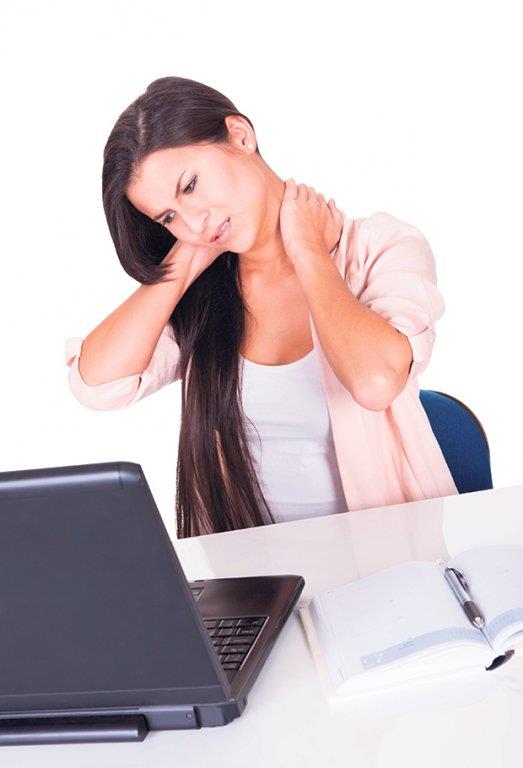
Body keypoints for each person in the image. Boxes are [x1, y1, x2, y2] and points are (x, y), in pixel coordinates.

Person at [65, 75, 459, 538]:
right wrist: (187, 257)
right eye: (168, 216)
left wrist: (308, 250)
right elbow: (98, 386)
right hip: (251, 571)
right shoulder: (202, 293)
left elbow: (375, 383)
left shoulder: (382, 245)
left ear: (240, 135)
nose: (193, 220)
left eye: (190, 185)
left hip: (386, 560)